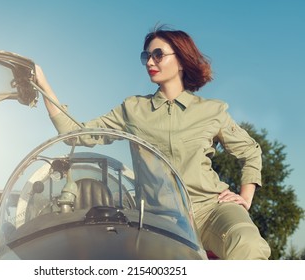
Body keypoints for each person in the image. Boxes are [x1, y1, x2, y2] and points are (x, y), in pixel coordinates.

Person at [34, 26, 271, 260]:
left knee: (248, 244)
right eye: (146, 56)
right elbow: (76, 133)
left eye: (158, 55)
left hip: (211, 210)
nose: (150, 62)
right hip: (160, 219)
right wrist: (43, 84)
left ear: (181, 60)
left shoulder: (212, 110)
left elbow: (251, 151)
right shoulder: (133, 109)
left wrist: (245, 197)